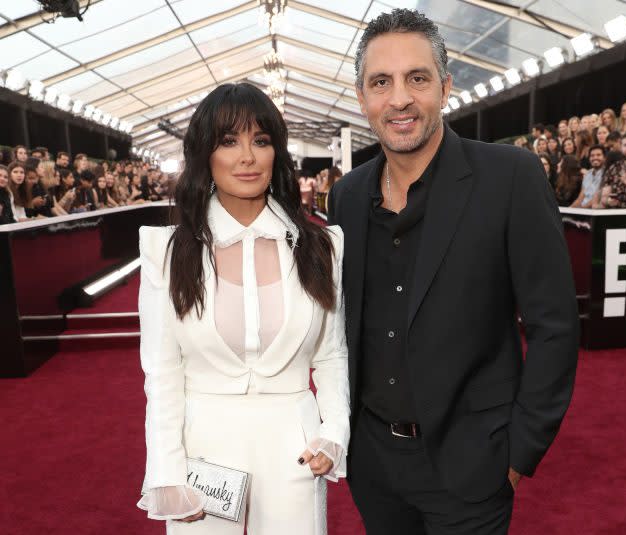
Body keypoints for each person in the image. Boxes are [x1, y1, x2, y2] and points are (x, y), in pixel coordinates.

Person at [327, 9, 578, 535]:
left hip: (474, 468)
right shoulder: (346, 197)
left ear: (444, 87)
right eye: (381, 82)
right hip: (372, 467)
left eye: (416, 78)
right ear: (361, 97)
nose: (399, 99)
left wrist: (517, 455)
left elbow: (554, 326)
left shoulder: (510, 178)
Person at [136, 83, 349, 534]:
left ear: (277, 152)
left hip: (296, 448)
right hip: (203, 451)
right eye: (229, 141)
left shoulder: (322, 246)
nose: (247, 157)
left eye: (261, 140)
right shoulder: (168, 251)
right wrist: (167, 471)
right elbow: (162, 372)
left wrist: (334, 432)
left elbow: (332, 353)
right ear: (205, 155)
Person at [594, 131, 626, 209]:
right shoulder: (613, 168)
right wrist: (608, 201)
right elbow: (604, 197)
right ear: (621, 147)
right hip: (614, 214)